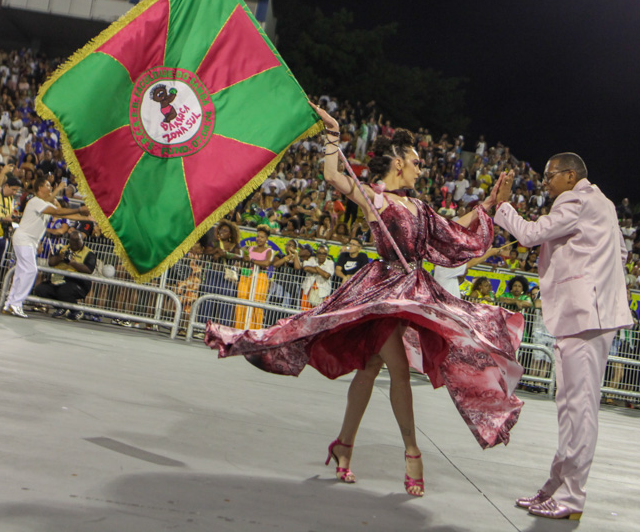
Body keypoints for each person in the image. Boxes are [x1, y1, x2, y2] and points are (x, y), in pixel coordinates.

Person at [207, 108, 524, 499]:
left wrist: (488, 205)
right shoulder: (375, 197)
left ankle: (343, 445)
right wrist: (333, 136)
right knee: (397, 371)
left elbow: (454, 231)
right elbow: (333, 175)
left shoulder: (420, 208)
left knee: (373, 366)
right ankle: (412, 454)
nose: (420, 169)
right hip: (381, 292)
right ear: (397, 162)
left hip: (411, 292)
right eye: (416, 162)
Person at [489, 153, 632, 520]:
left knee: (579, 409)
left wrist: (503, 206)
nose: (545, 184)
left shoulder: (576, 199)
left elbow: (530, 234)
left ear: (570, 176)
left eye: (550, 176)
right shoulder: (603, 203)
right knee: (571, 406)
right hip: (591, 315)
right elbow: (622, 252)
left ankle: (571, 497)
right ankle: (557, 488)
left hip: (585, 316)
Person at [2, 178, 89, 318]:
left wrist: (84, 217)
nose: (50, 188)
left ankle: (10, 303)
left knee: (20, 272)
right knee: (31, 270)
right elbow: (58, 211)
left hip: (28, 241)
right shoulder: (36, 201)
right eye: (48, 185)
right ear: (40, 188)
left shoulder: (43, 204)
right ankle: (16, 304)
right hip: (25, 240)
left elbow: (59, 211)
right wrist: (78, 208)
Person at [35, 230, 98, 319]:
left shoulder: (89, 253)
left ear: (82, 240)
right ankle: (61, 308)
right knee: (41, 289)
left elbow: (89, 270)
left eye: (77, 241)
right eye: (73, 241)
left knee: (63, 290)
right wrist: (60, 258)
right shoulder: (63, 248)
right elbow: (51, 262)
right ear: (69, 240)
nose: (75, 244)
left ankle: (75, 311)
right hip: (58, 279)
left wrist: (73, 263)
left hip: (78, 282)